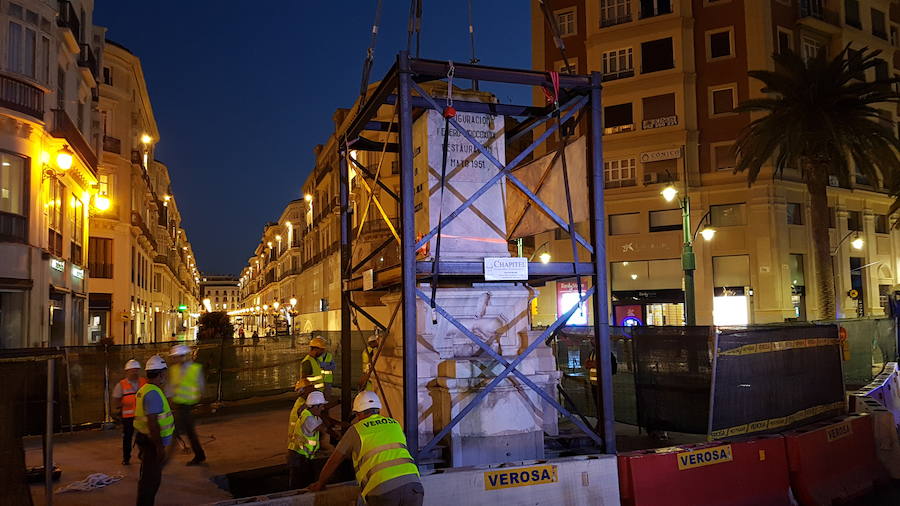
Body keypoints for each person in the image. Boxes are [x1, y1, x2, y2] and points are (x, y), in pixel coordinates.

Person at [309, 391, 423, 505]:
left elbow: (334, 460)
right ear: (378, 409)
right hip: (414, 486)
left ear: (359, 413)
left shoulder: (356, 430)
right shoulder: (395, 424)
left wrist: (320, 483)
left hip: (383, 490)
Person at [134, 355, 175, 506]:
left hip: (145, 439)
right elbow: (153, 422)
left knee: (148, 477)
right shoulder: (153, 393)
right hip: (151, 442)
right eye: (164, 372)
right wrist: (159, 447)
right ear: (161, 374)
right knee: (150, 482)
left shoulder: (145, 389)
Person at [167, 344, 206, 465]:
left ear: (184, 356)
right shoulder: (174, 369)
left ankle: (164, 459)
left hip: (189, 406)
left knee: (177, 431)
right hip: (179, 405)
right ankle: (199, 455)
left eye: (177, 357)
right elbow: (171, 386)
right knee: (189, 432)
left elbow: (201, 386)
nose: (175, 359)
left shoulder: (195, 368)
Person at [287, 390, 329, 489]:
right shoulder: (309, 419)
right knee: (298, 485)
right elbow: (323, 428)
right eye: (321, 406)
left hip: (303, 455)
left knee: (305, 482)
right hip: (298, 456)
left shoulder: (309, 414)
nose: (323, 408)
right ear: (315, 406)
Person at [112, 359, 147, 465]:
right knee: (127, 438)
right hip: (128, 416)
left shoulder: (144, 382)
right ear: (127, 371)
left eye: (136, 370)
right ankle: (126, 458)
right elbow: (116, 400)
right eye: (132, 370)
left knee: (143, 436)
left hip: (142, 415)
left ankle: (143, 454)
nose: (135, 372)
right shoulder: (121, 385)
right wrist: (120, 406)